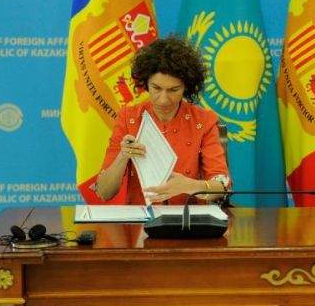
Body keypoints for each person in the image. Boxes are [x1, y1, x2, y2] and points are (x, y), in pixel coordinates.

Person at [95, 35, 230, 203]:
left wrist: (190, 186)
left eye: (173, 90)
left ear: (186, 87)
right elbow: (104, 192)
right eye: (156, 88)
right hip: (142, 217)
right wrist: (123, 156)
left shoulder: (204, 120)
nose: (163, 100)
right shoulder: (128, 118)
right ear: (146, 83)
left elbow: (222, 187)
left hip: (188, 216)